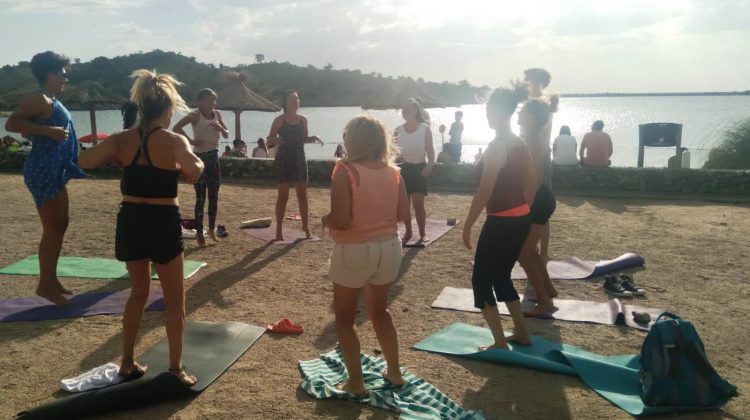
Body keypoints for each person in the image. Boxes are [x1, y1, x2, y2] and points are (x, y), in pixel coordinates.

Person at [78, 69, 204, 386]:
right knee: (175, 300)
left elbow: (86, 160)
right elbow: (194, 167)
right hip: (162, 222)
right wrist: (196, 166)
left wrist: (118, 157)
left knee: (138, 293)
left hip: (131, 219)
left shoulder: (121, 139)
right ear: (167, 109)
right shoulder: (174, 140)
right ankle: (175, 369)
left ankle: (127, 362)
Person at [323, 115, 411, 396]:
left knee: (345, 320)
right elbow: (402, 215)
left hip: (355, 249)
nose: (344, 140)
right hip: (389, 247)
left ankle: (356, 383)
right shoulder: (394, 173)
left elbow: (341, 219)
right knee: (379, 311)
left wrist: (324, 220)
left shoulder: (345, 170)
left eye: (346, 135)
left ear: (355, 140)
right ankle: (395, 372)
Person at [4, 51, 86, 305]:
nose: (65, 79)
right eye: (62, 74)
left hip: (54, 169)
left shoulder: (51, 99)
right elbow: (11, 124)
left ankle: (51, 280)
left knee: (60, 224)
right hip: (42, 169)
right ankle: (44, 285)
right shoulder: (37, 98)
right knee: (53, 227)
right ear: (49, 74)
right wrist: (47, 130)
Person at [463, 85, 535, 350]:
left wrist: (468, 225)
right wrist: (522, 207)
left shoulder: (498, 146)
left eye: (488, 110)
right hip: (520, 218)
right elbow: (531, 180)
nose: (486, 115)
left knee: (481, 280)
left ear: (499, 111)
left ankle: (499, 342)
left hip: (502, 221)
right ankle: (522, 333)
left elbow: (485, 191)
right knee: (502, 276)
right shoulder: (518, 142)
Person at [518, 99, 558, 316]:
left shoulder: (532, 141)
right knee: (529, 249)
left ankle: (544, 302)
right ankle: (549, 290)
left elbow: (535, 177)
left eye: (522, 111)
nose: (518, 114)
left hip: (537, 199)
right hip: (543, 196)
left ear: (531, 118)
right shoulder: (536, 138)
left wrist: (527, 203)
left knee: (522, 252)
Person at [174, 88, 229, 247]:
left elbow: (226, 134)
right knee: (200, 197)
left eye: (214, 101)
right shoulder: (195, 114)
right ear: (201, 102)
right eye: (210, 100)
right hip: (200, 160)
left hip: (214, 157)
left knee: (214, 195)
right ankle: (199, 232)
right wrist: (190, 142)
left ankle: (211, 229)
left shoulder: (217, 114)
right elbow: (176, 128)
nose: (213, 103)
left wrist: (221, 129)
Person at [267, 90, 324, 241]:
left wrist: (314, 138)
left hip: (299, 157)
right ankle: (279, 229)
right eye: (292, 99)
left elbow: (303, 139)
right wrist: (279, 140)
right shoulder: (279, 120)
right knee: (283, 196)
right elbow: (269, 140)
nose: (296, 101)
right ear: (285, 103)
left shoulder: (303, 120)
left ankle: (305, 227)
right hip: (284, 159)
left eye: (297, 99)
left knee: (302, 195)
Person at [523, 67, 558, 264]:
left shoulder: (540, 104)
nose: (524, 83)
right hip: (535, 155)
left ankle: (542, 252)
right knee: (536, 209)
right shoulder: (536, 103)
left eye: (527, 80)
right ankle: (538, 251)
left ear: (536, 82)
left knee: (539, 208)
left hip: (538, 157)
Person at [394, 97, 435, 243]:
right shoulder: (398, 130)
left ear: (416, 110)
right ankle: (408, 232)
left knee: (418, 204)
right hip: (403, 170)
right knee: (405, 204)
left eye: (408, 109)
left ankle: (423, 233)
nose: (405, 112)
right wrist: (399, 158)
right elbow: (392, 151)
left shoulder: (425, 129)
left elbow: (430, 152)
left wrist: (429, 167)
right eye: (403, 110)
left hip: (419, 168)